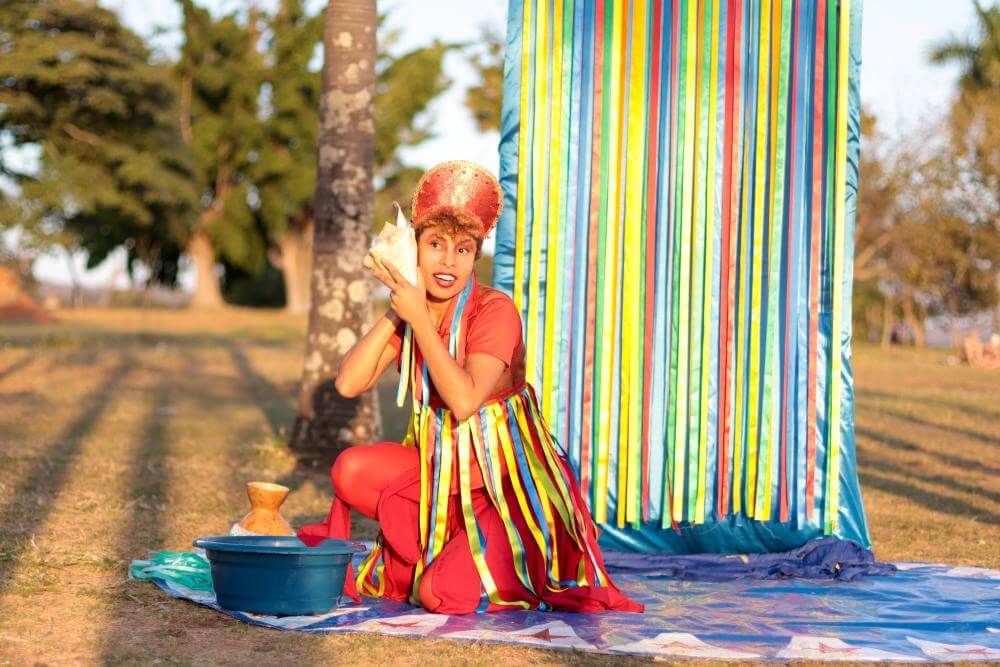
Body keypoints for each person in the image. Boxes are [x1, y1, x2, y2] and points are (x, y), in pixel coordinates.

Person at [298, 161, 642, 615]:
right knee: (350, 470)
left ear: (475, 256)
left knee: (439, 595)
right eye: (435, 245)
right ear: (414, 249)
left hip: (505, 490)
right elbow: (349, 383)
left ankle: (482, 554)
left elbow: (462, 401)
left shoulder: (494, 310)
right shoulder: (414, 310)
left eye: (463, 250)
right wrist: (400, 310)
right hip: (443, 478)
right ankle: (448, 542)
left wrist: (418, 318)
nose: (447, 261)